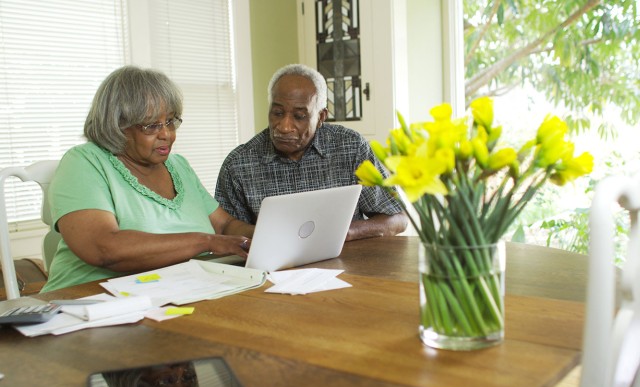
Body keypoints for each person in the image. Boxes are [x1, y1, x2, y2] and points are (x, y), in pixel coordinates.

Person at [41, 66, 253, 293]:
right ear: (118, 126)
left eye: (171, 121)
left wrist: (263, 237)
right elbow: (102, 247)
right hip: (89, 302)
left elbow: (223, 226)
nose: (167, 134)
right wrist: (205, 242)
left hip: (174, 293)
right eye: (152, 125)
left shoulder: (178, 166)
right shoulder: (84, 162)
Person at [214, 64, 408, 241]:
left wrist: (345, 233)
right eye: (277, 113)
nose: (284, 126)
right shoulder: (238, 164)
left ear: (321, 116)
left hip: (348, 265)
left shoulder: (351, 147)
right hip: (276, 271)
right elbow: (224, 230)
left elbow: (397, 218)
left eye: (299, 116)